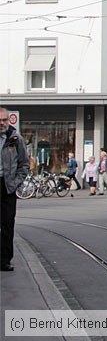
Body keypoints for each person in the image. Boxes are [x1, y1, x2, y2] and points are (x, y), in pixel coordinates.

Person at [1, 106, 30, 272]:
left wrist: (16, 183)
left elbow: (24, 164)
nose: (2, 123)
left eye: (5, 120)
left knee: (7, 224)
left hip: (7, 186)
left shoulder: (15, 138)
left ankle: (4, 260)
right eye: (0, 121)